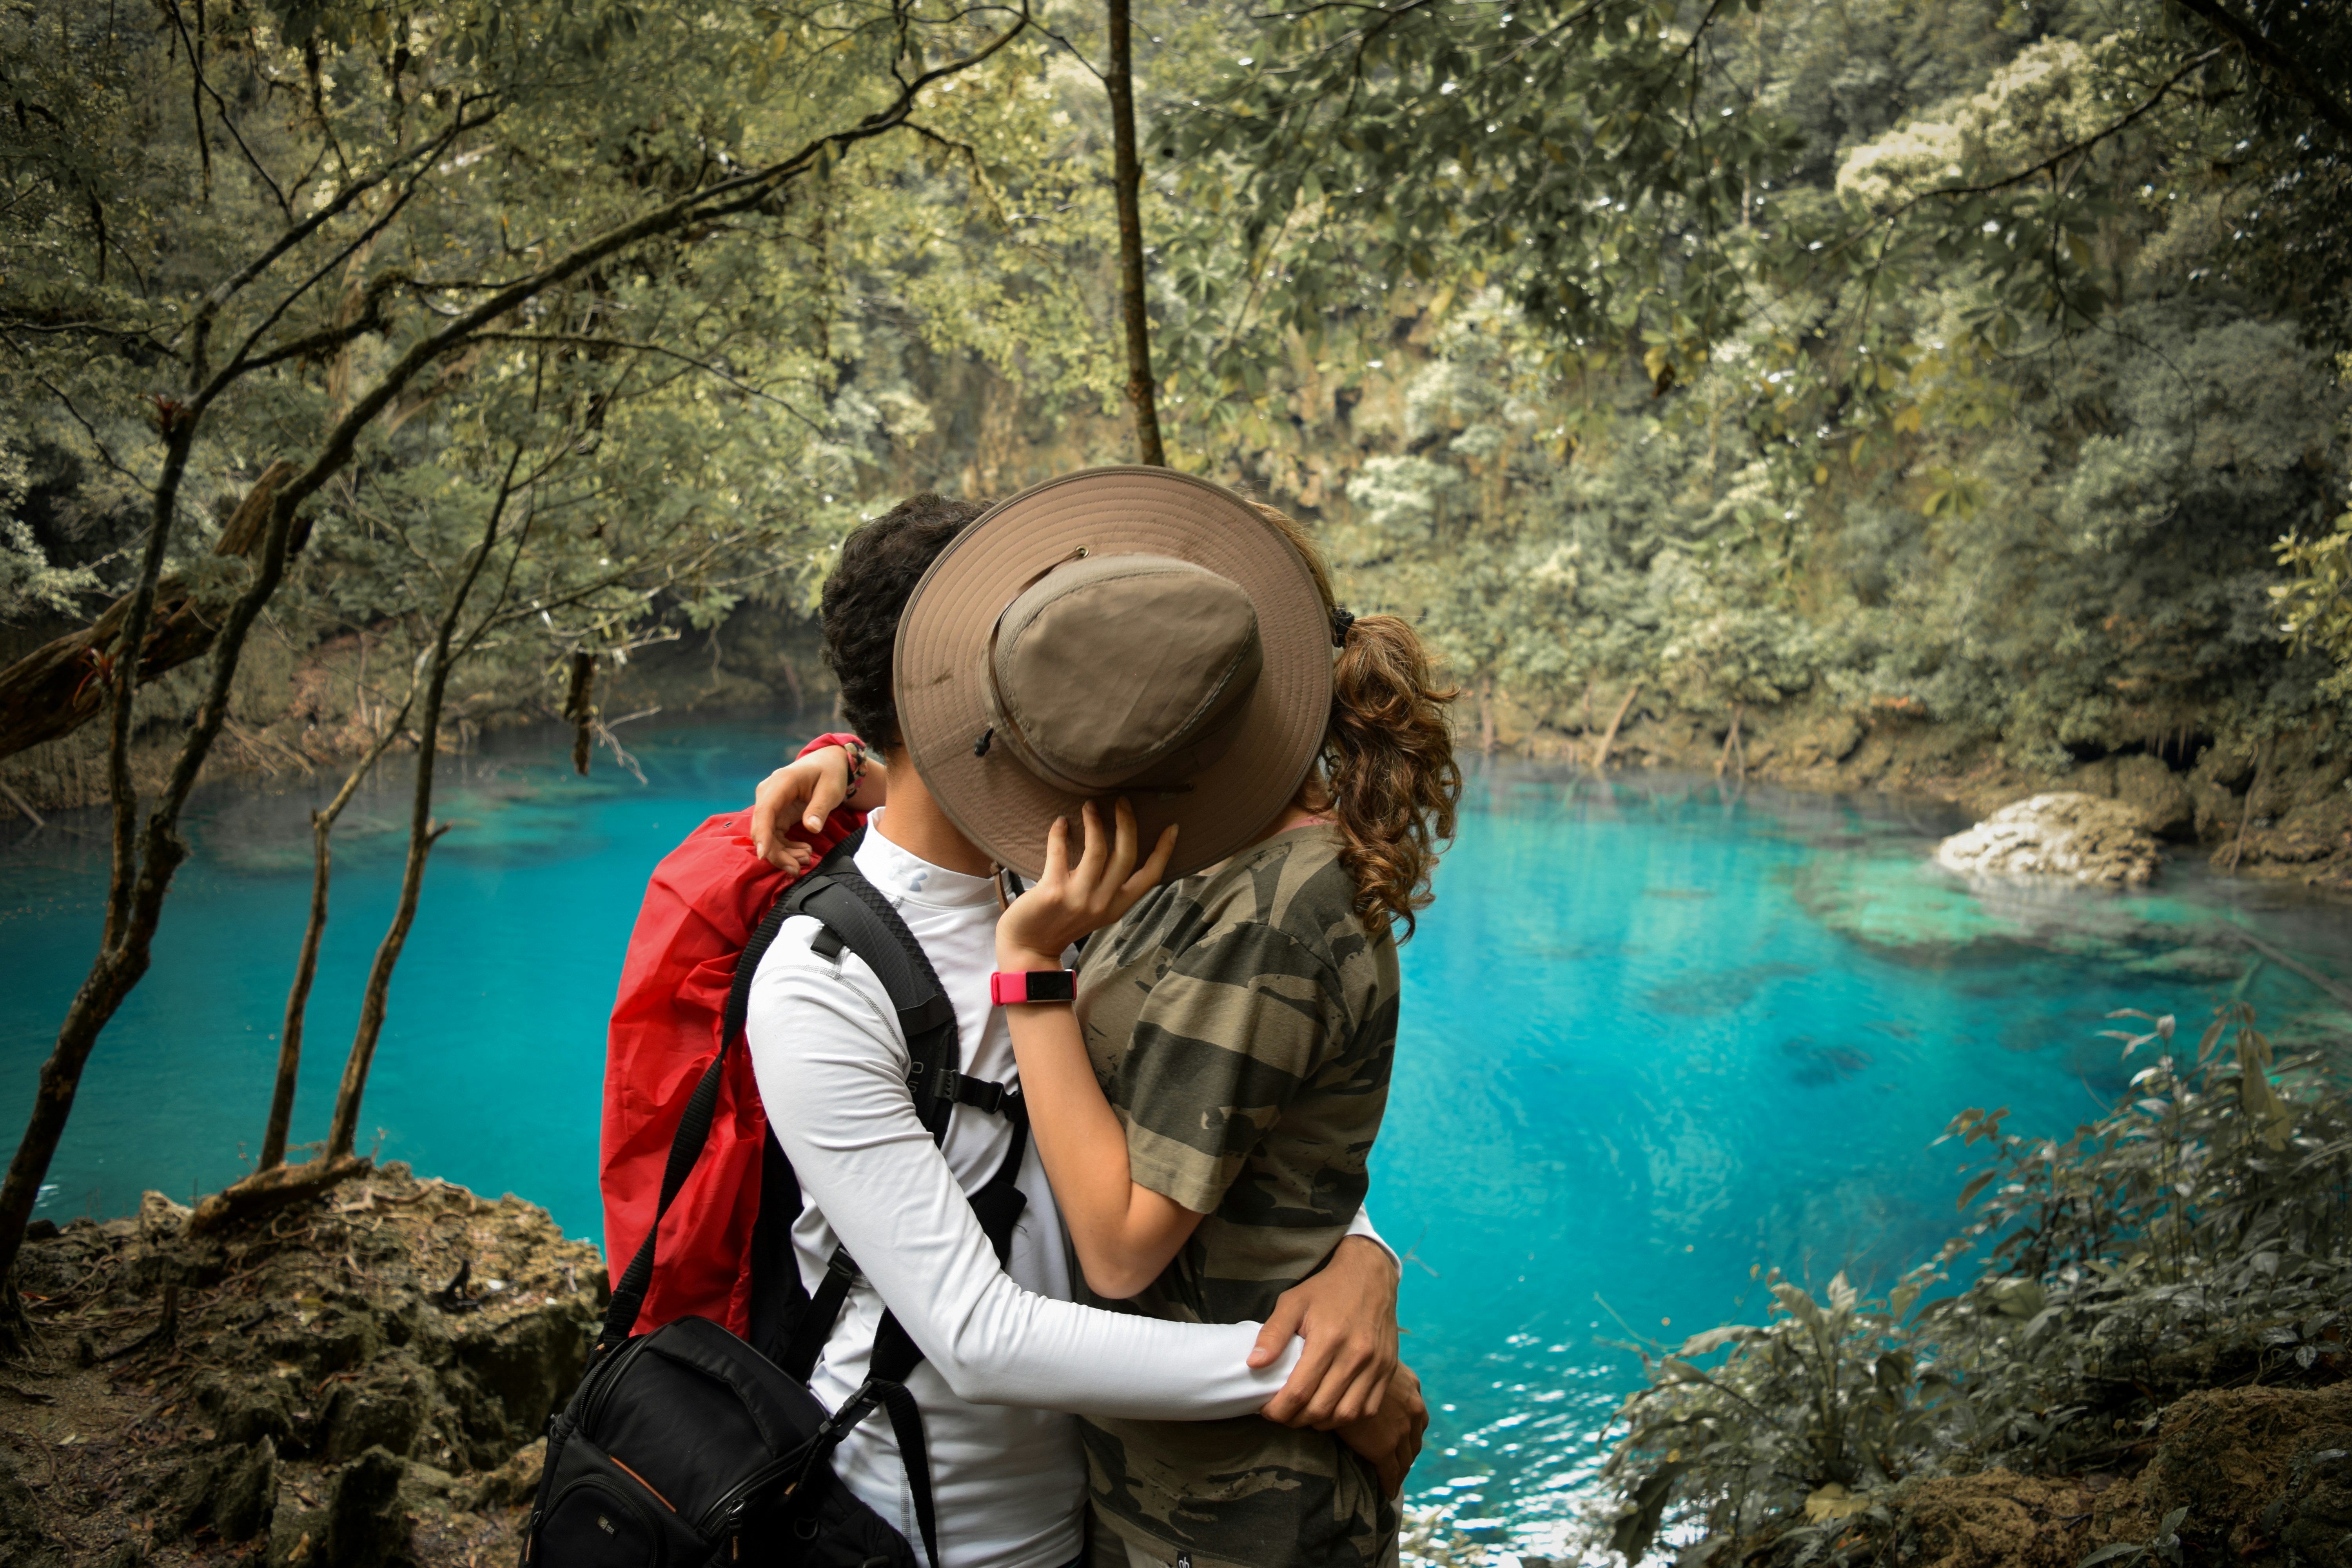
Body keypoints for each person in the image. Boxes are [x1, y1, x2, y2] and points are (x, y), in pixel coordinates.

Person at [761, 472, 1454, 1568]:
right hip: (930, 1523)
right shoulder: (830, 973)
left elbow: (1239, 1124)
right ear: (999, 700)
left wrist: (1365, 1260)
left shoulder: (1091, 887)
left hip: (1114, 1501)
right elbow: (983, 1334)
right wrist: (1319, 1382)